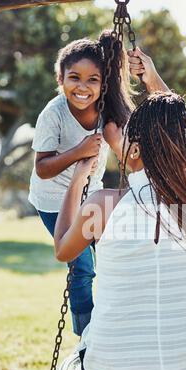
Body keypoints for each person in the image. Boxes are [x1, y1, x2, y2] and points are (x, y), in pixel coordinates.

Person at [53, 50, 186, 370]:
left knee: (125, 359)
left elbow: (62, 250)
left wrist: (77, 181)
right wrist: (153, 79)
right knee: (170, 351)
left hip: (112, 363)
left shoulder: (104, 205)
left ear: (132, 152)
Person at [28, 30, 134, 336]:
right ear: (60, 79)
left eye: (93, 80)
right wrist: (78, 152)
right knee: (82, 266)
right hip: (53, 201)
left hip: (92, 196)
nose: (83, 87)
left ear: (103, 83)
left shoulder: (107, 109)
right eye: (74, 77)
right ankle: (85, 334)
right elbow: (43, 168)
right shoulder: (54, 114)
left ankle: (115, 325)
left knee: (114, 254)